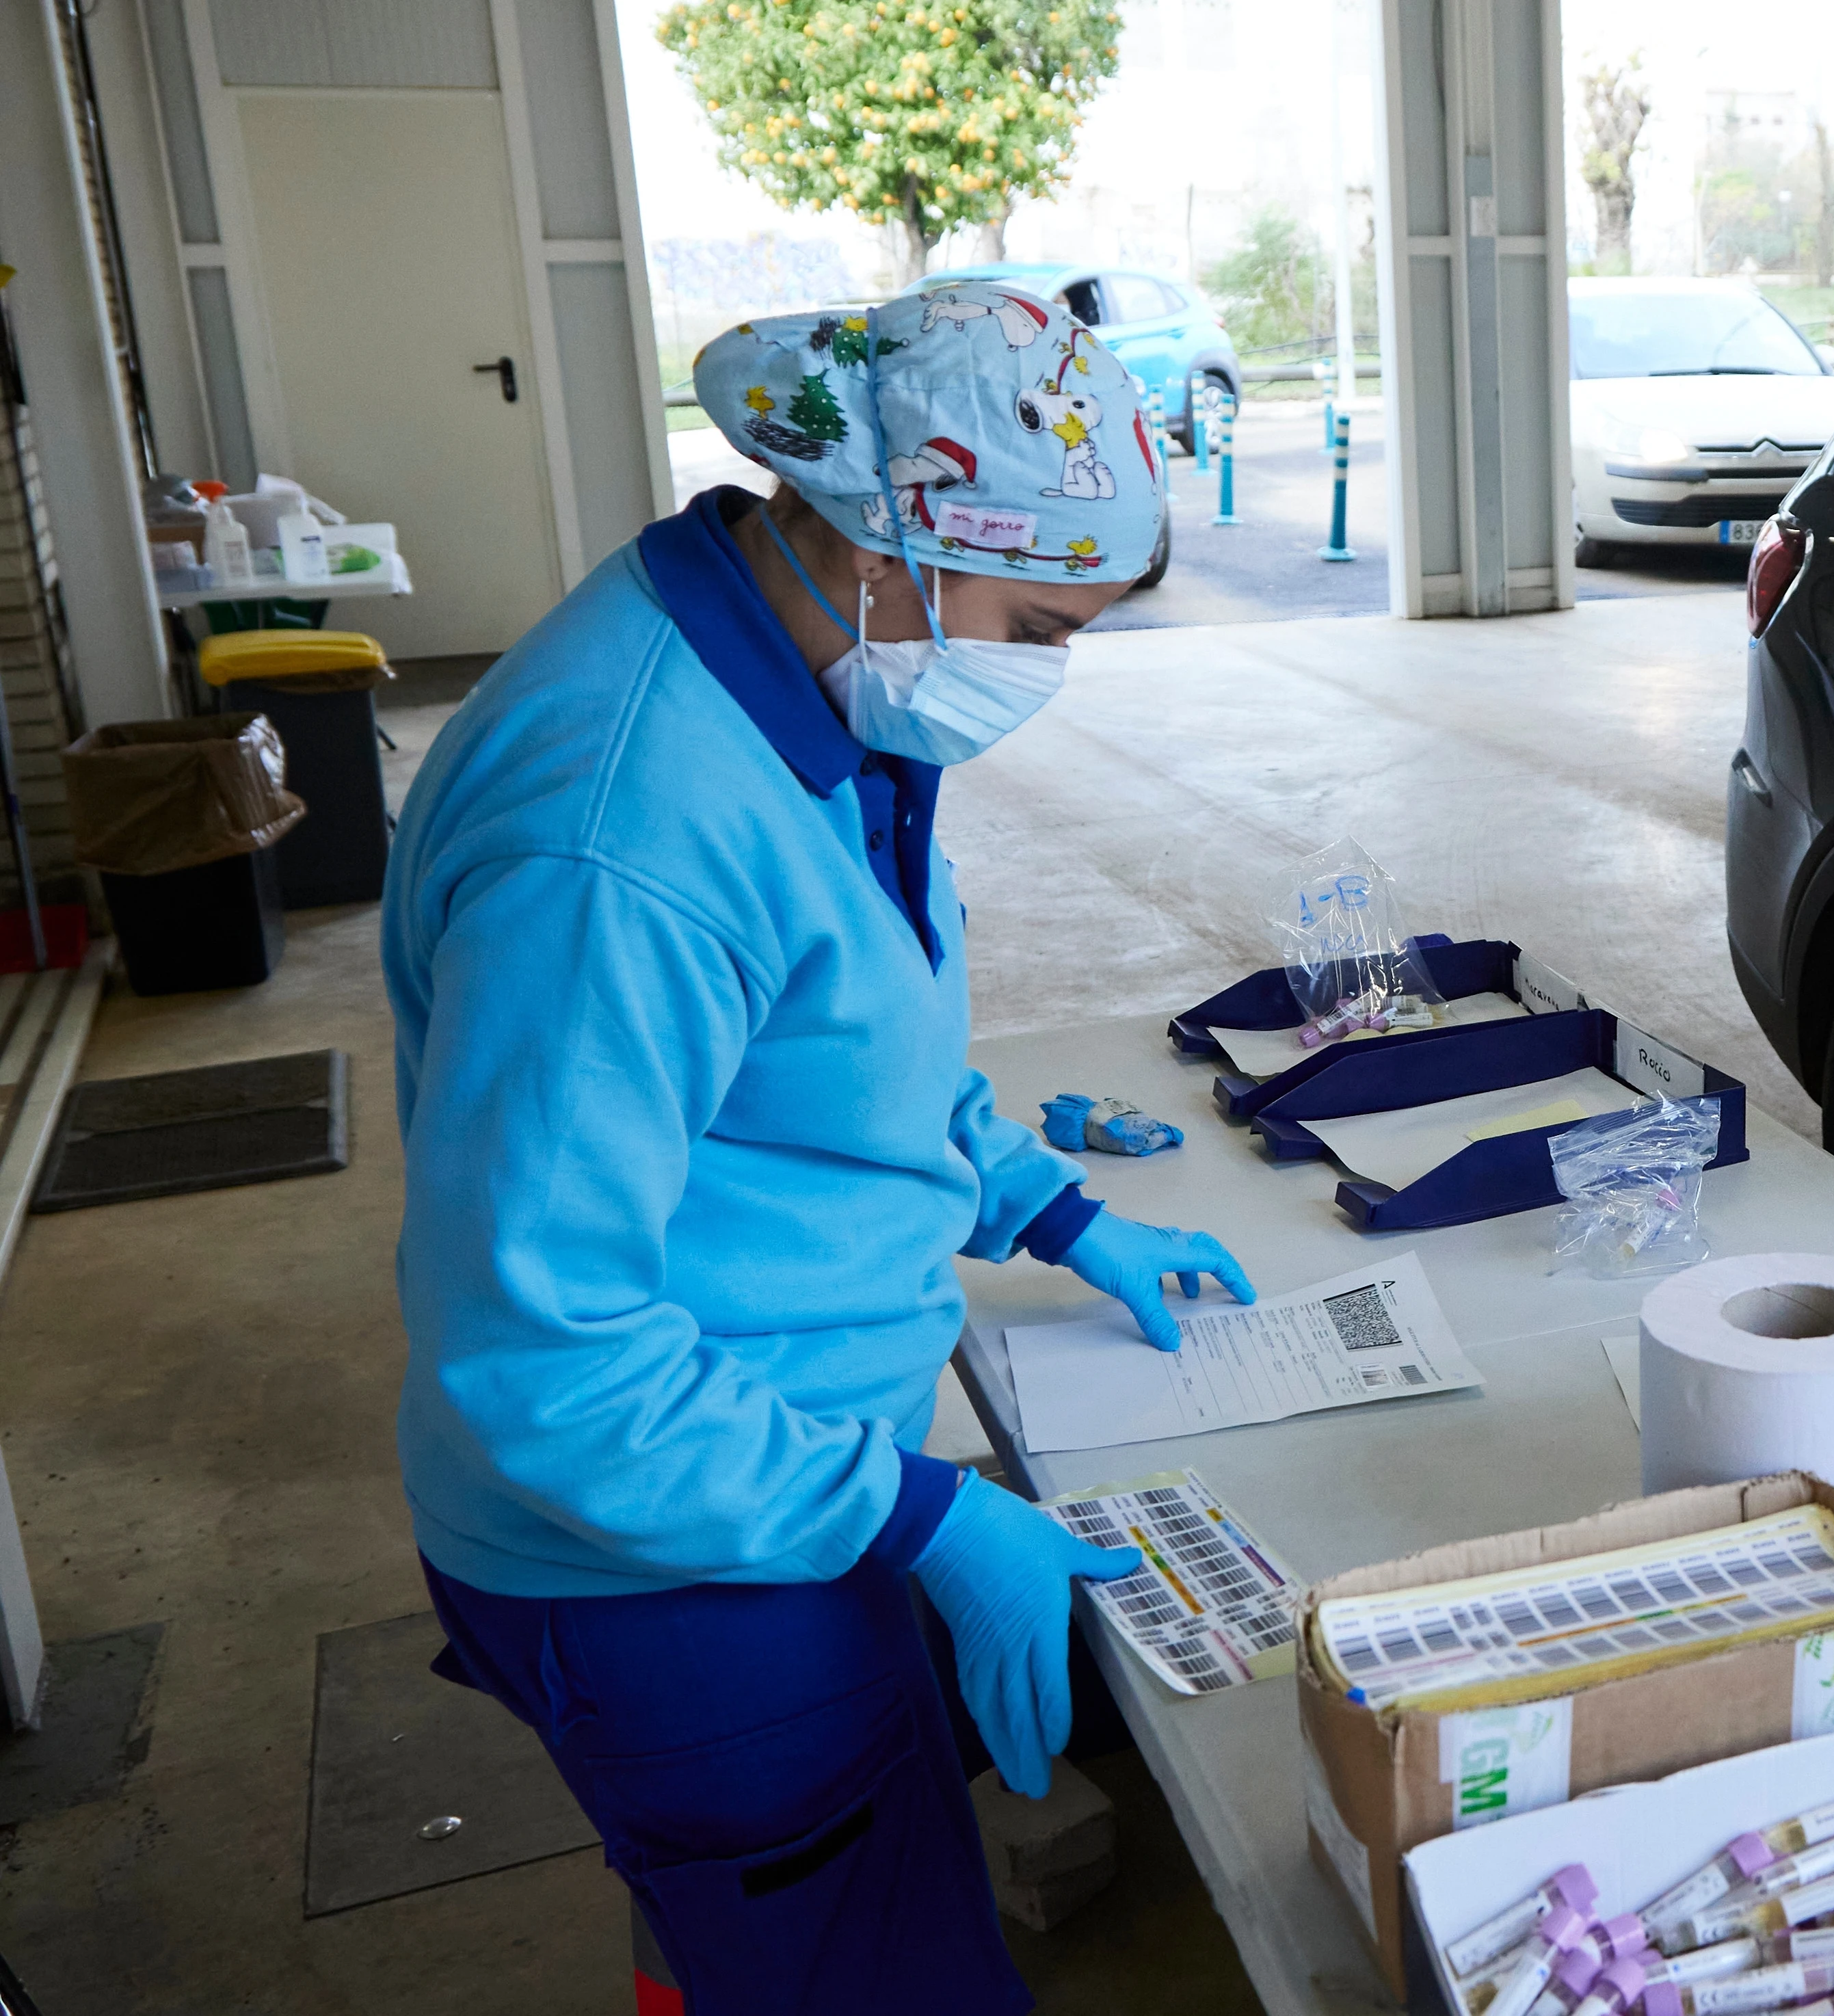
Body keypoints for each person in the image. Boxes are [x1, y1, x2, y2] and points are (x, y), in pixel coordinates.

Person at [384, 283, 1248, 2013]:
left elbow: (851, 1037)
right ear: (890, 544)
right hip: (667, 1560)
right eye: (1037, 621)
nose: (1044, 671)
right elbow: (542, 1355)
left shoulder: (805, 676)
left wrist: (1055, 1207)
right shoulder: (619, 835)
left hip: (768, 1481)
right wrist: (917, 1511)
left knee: (782, 1925)